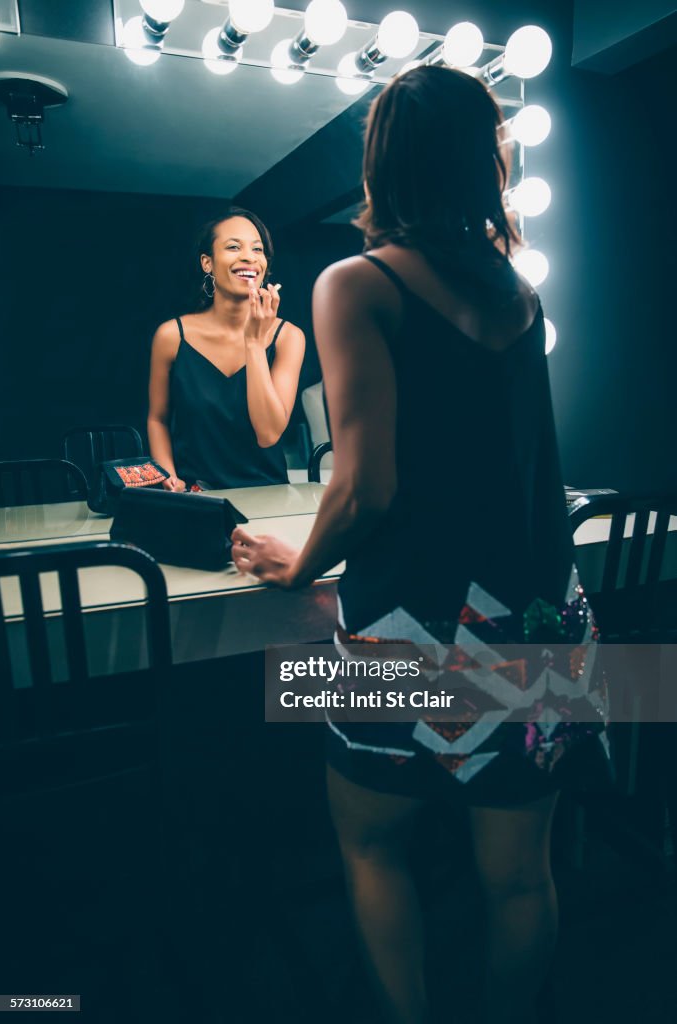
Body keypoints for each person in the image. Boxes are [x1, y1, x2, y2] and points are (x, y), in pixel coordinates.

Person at [231, 67, 609, 1024]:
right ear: (483, 161)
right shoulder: (517, 294)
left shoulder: (356, 281)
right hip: (535, 617)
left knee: (372, 847)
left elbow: (367, 487)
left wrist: (299, 563)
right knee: (518, 881)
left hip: (415, 629)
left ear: (383, 159)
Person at [148, 208, 305, 490]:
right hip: (197, 498)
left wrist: (254, 343)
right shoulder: (172, 335)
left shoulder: (288, 337)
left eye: (258, 249)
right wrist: (167, 475)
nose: (249, 256)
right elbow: (157, 419)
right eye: (234, 247)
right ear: (207, 263)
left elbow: (268, 434)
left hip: (269, 498)